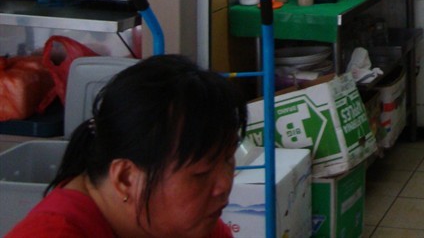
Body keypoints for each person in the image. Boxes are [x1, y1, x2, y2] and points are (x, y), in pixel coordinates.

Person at [9, 54, 247, 238]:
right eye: (201, 174)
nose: (224, 185)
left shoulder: (186, 225)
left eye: (228, 159)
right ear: (126, 178)